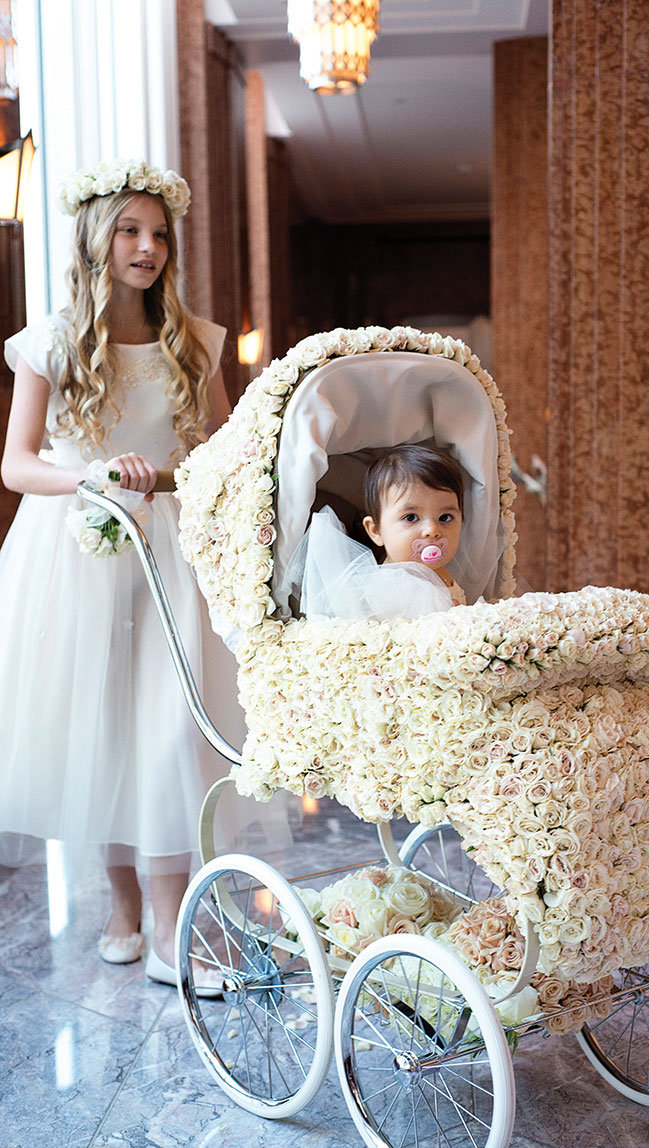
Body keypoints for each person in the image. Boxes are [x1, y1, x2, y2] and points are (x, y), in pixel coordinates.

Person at [0, 159, 246, 989]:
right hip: (81, 551)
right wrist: (95, 478)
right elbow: (18, 465)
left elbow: (220, 456)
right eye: (132, 232)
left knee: (171, 729)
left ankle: (175, 922)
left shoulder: (196, 343)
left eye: (160, 234)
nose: (148, 248)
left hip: (173, 552)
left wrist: (174, 480)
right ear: (98, 241)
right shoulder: (51, 343)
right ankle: (124, 909)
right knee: (105, 730)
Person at [291, 444, 467, 620]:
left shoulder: (440, 572)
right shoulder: (390, 587)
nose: (432, 530)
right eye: (411, 517)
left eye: (445, 517)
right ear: (376, 531)